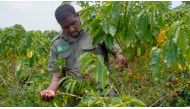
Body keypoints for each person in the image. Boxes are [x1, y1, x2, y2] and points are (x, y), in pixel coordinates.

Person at [40, 3, 127, 105]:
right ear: (60, 25)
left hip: (104, 94)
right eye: (66, 27)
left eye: (73, 23)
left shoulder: (95, 30)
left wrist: (119, 56)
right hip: (77, 98)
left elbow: (116, 50)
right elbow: (57, 76)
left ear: (78, 15)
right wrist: (51, 90)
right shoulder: (57, 44)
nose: (71, 29)